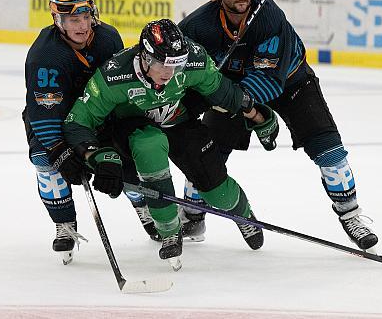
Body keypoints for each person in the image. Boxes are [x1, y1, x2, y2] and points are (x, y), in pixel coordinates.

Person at [178, 0, 378, 251]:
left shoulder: (268, 17)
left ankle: (350, 215)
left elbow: (270, 81)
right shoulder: (199, 25)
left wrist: (253, 113)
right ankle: (193, 215)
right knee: (206, 153)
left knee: (331, 153)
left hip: (292, 83)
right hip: (236, 90)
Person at [62, 19, 279, 270]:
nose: (169, 72)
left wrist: (256, 114)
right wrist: (92, 154)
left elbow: (222, 91)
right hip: (135, 129)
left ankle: (243, 214)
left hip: (179, 122)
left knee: (217, 192)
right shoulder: (114, 75)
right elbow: (78, 121)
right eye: (161, 64)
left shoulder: (194, 58)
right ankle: (169, 230)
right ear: (144, 56)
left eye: (176, 65)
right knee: (149, 145)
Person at [23, 0, 158, 265]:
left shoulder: (108, 38)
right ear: (58, 20)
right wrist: (61, 150)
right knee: (45, 161)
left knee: (128, 153)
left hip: (99, 117)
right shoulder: (45, 55)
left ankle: (143, 206)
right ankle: (64, 224)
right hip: (56, 121)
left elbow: (119, 88)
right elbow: (44, 112)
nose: (83, 25)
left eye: (86, 17)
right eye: (74, 19)